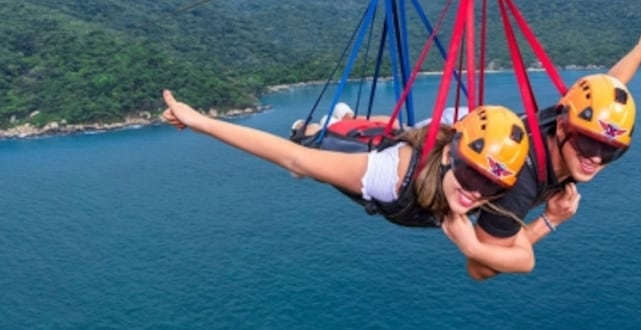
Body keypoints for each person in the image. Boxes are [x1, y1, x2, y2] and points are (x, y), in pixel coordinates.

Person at [161, 90, 536, 277]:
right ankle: (317, 124)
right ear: (447, 156)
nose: (476, 192)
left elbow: (521, 259)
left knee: (396, 129)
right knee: (307, 150)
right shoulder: (389, 178)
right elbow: (293, 159)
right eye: (470, 174)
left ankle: (350, 118)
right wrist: (200, 122)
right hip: (381, 157)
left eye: (491, 186)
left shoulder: (492, 173)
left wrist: (551, 218)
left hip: (419, 135)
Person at [466, 28, 641, 280]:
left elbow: (606, 92)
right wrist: (550, 220)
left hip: (470, 129)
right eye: (588, 144)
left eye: (611, 150)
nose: (596, 158)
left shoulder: (567, 117)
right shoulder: (520, 182)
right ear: (562, 127)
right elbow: (479, 268)